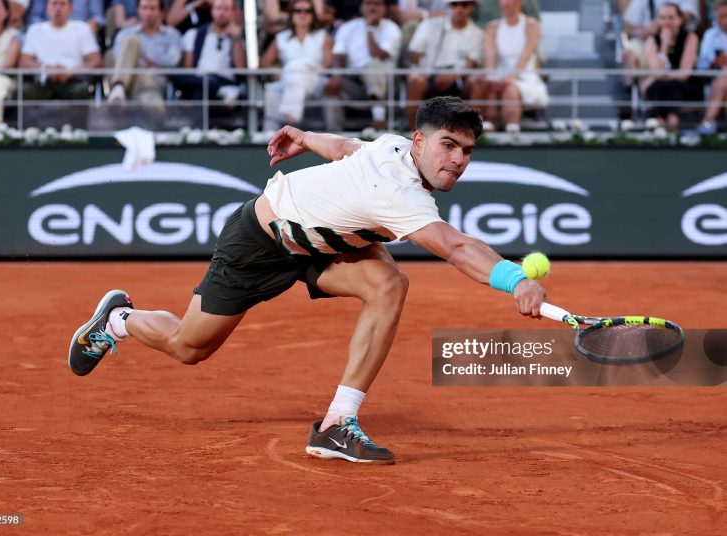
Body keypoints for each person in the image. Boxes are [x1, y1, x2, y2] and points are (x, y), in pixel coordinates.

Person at [67, 96, 547, 465]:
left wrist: (303, 135)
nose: (458, 160)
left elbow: (344, 148)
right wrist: (515, 280)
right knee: (189, 346)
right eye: (448, 145)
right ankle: (119, 320)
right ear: (419, 142)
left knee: (388, 285)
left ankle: (338, 423)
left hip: (326, 245)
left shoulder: (394, 150)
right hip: (260, 241)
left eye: (466, 150)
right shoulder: (399, 192)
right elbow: (457, 247)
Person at [470, 0, 547, 132]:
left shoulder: (532, 25)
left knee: (510, 90)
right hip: (500, 75)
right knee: (485, 85)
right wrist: (492, 78)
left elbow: (526, 56)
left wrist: (510, 78)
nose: (505, 3)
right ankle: (483, 126)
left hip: (525, 77)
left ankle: (512, 129)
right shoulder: (492, 27)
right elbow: (490, 60)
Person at [323, 0, 401, 131]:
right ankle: (334, 133)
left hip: (386, 86)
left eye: (377, 4)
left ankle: (379, 120)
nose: (373, 8)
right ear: (361, 7)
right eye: (369, 3)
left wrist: (369, 29)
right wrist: (337, 75)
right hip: (355, 83)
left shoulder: (391, 28)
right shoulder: (348, 27)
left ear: (384, 8)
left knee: (373, 65)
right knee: (330, 86)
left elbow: (378, 55)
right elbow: (338, 55)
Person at [405, 0, 483, 130]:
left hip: (459, 79)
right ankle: (413, 131)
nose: (459, 8)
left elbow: (472, 63)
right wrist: (427, 68)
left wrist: (454, 75)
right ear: (449, 7)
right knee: (415, 80)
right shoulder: (428, 25)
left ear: (472, 7)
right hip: (429, 74)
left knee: (477, 81)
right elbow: (414, 54)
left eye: (464, 4)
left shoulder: (477, 34)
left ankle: (474, 130)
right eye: (454, 4)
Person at [260, 0, 332, 131]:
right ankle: (268, 135)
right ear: (291, 15)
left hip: (315, 79)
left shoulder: (322, 36)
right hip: (288, 77)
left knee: (296, 68)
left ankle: (290, 121)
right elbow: (264, 63)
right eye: (298, 11)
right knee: (272, 89)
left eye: (307, 11)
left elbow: (328, 63)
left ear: (313, 15)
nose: (302, 14)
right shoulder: (281, 37)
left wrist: (306, 68)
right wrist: (277, 72)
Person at [20, 0, 102, 100]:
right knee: (22, 92)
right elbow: (24, 61)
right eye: (54, 4)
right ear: (47, 8)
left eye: (62, 4)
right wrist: (45, 69)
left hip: (73, 80)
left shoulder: (83, 29)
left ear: (70, 9)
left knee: (82, 91)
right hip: (43, 82)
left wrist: (71, 72)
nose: (58, 8)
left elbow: (96, 60)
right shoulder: (34, 30)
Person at [639, 2, 700, 132]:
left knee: (670, 85)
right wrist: (664, 46)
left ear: (680, 20)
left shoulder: (690, 38)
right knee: (658, 87)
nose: (666, 22)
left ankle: (671, 123)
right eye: (662, 17)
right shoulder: (652, 41)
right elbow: (656, 70)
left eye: (671, 17)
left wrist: (656, 77)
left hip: (684, 87)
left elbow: (684, 73)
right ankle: (660, 123)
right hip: (661, 87)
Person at [107, 0, 181, 106]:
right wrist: (150, 62)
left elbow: (172, 61)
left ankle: (120, 89)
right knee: (132, 41)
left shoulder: (172, 35)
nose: (148, 13)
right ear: (138, 10)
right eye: (144, 8)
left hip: (154, 82)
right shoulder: (125, 34)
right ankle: (119, 86)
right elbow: (118, 59)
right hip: (129, 78)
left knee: (154, 110)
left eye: (152, 8)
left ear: (161, 11)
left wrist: (139, 56)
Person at [171, 0, 245, 101]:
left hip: (225, 81)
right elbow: (187, 69)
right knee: (188, 85)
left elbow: (240, 67)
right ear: (212, 10)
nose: (221, 13)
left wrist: (236, 39)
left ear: (234, 12)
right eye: (218, 8)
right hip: (200, 80)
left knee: (199, 93)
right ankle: (217, 88)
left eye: (226, 9)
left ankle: (216, 87)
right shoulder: (194, 34)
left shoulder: (241, 36)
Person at [695, 0, 727, 134]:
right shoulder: (710, 35)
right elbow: (701, 65)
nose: (724, 20)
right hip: (714, 78)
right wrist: (714, 62)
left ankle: (707, 122)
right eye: (721, 16)